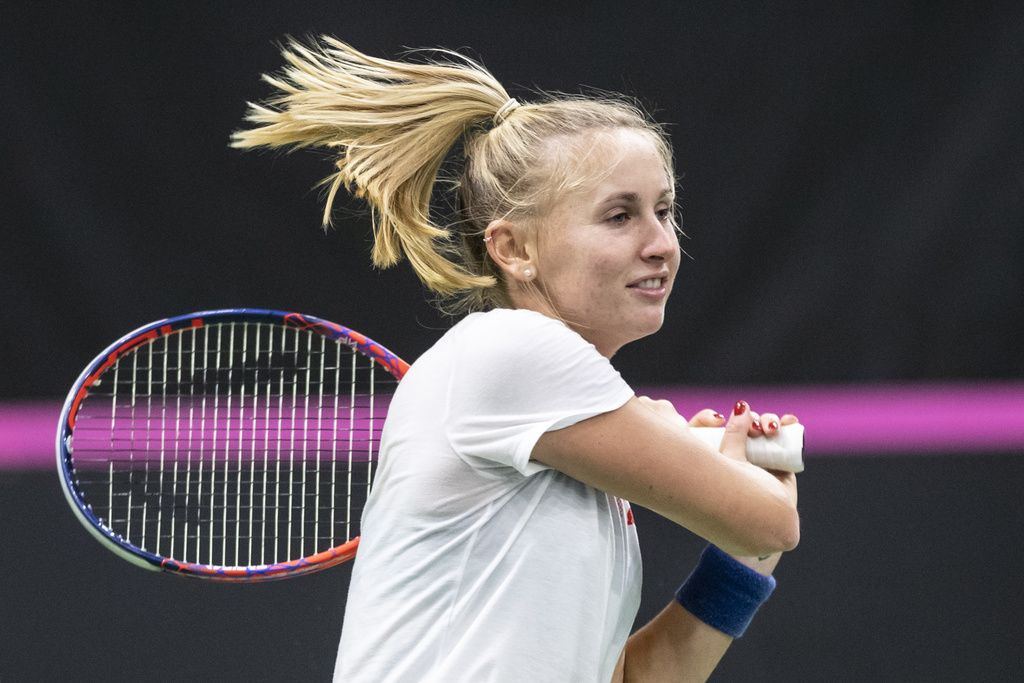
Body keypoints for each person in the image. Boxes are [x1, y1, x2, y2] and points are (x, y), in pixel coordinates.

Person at [232, 36, 800, 683]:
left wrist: (745, 556)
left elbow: (640, 674)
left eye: (664, 211)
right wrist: (744, 488)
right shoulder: (513, 351)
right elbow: (772, 519)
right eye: (619, 216)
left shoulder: (585, 478)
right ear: (514, 248)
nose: (661, 243)